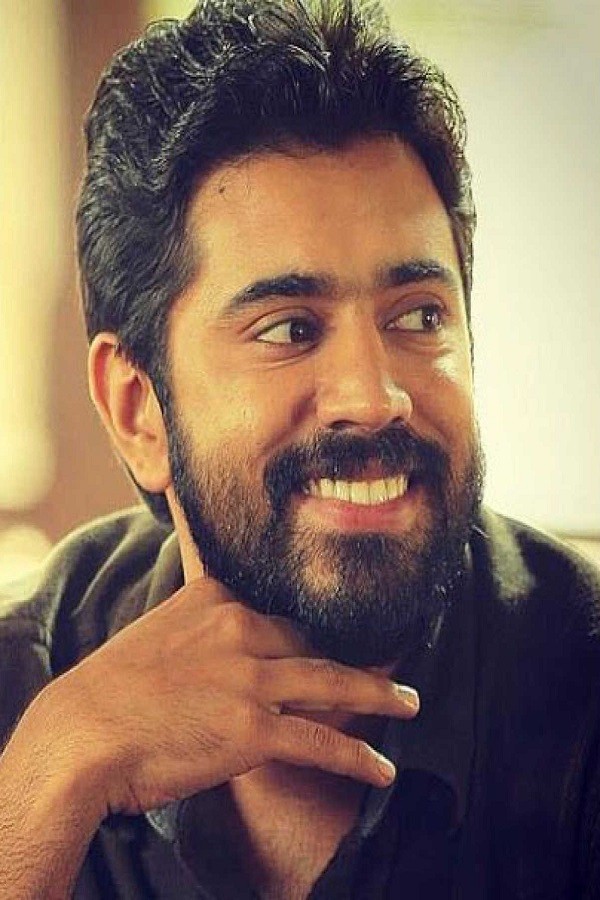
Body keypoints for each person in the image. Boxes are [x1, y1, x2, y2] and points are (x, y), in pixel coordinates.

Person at [1, 0, 599, 897]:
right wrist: (50, 777)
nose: (375, 396)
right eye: (289, 328)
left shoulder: (583, 694)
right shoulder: (25, 688)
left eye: (419, 317)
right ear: (138, 410)